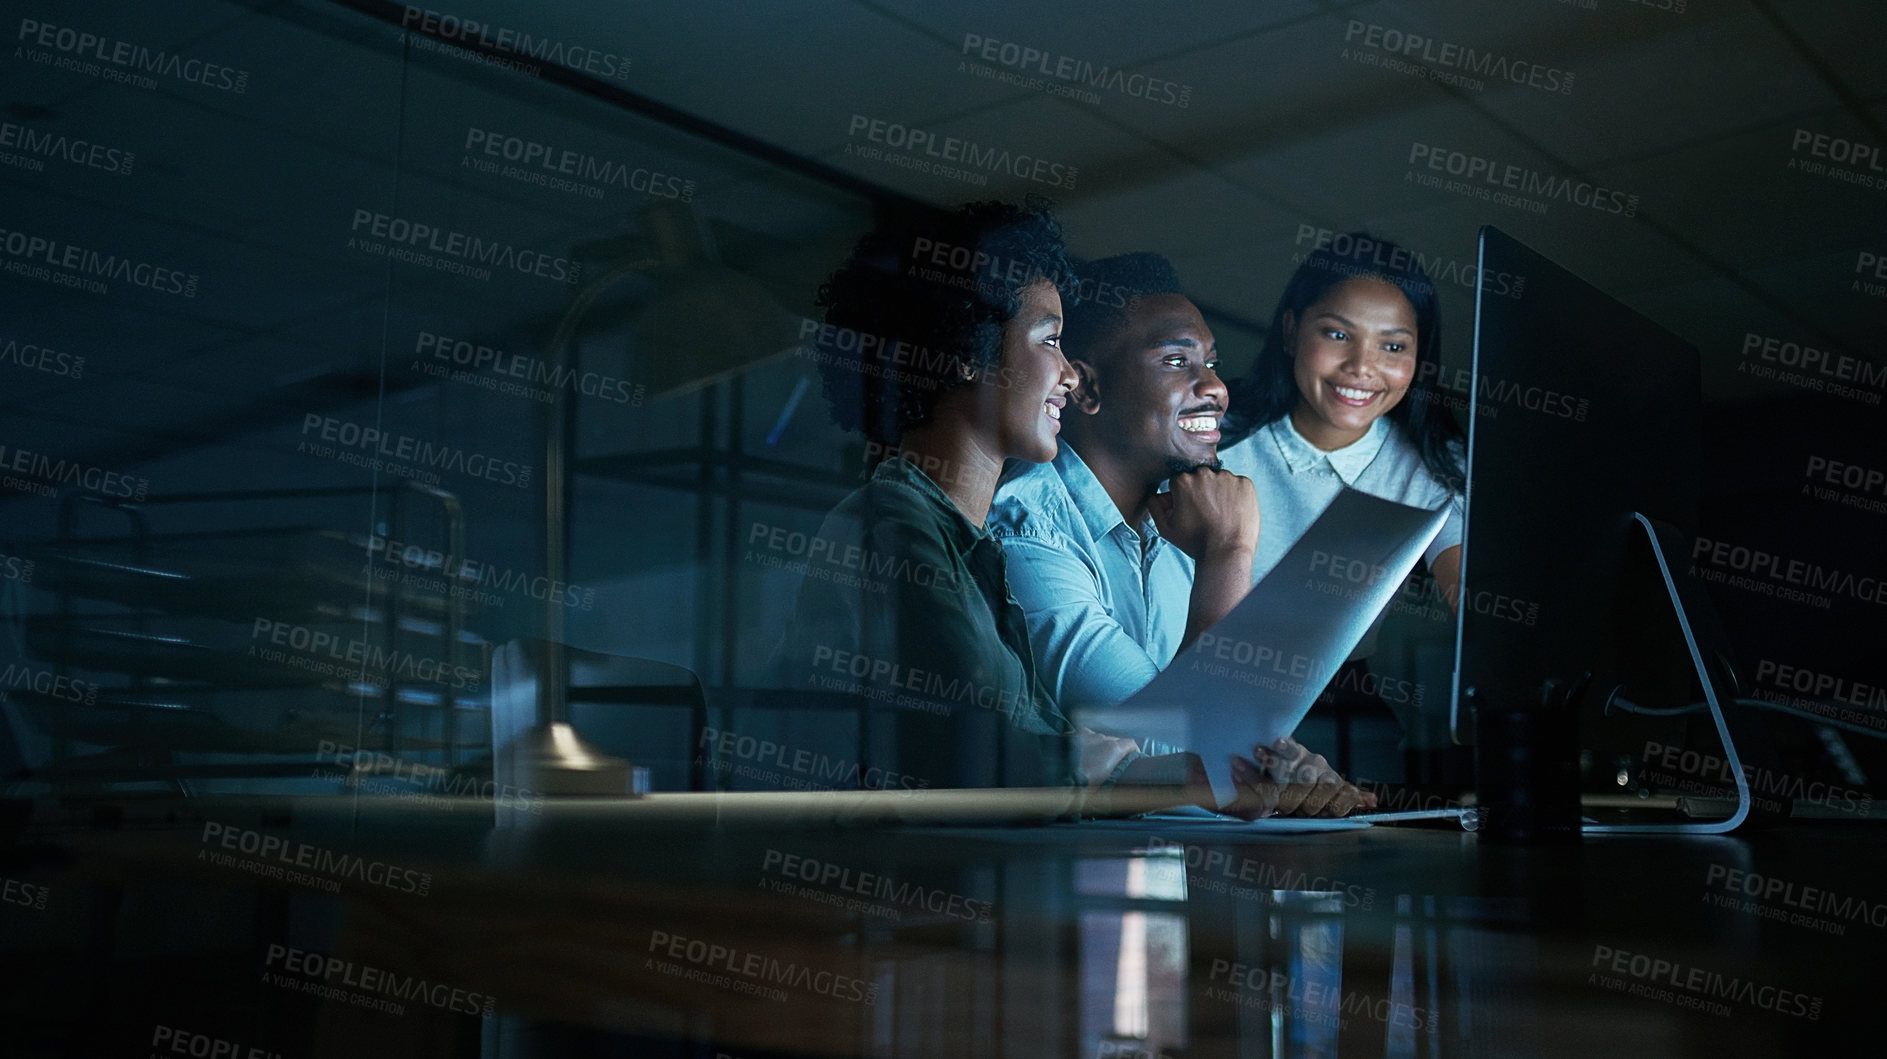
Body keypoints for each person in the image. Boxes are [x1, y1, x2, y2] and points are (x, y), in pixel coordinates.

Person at [776, 204, 1331, 816]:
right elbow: (972, 757)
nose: (1067, 372)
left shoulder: (966, 542)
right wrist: (1195, 768)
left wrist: (1246, 777)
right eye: (1050, 341)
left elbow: (1044, 753)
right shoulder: (895, 523)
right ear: (969, 350)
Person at [988, 252, 1372, 815]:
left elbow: (1235, 741)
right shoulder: (1025, 528)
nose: (1215, 387)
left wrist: (1287, 771)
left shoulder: (1180, 524)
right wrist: (1228, 555)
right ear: (1087, 388)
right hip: (1070, 887)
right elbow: (1182, 754)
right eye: (1176, 360)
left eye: (1213, 363)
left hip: (1177, 870)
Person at [1217, 233, 1465, 605]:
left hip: (1346, 666)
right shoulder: (1214, 434)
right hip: (1192, 658)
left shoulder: (1435, 466)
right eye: (1337, 334)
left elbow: (1477, 615)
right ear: (1291, 332)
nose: (1361, 367)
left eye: (1393, 347)